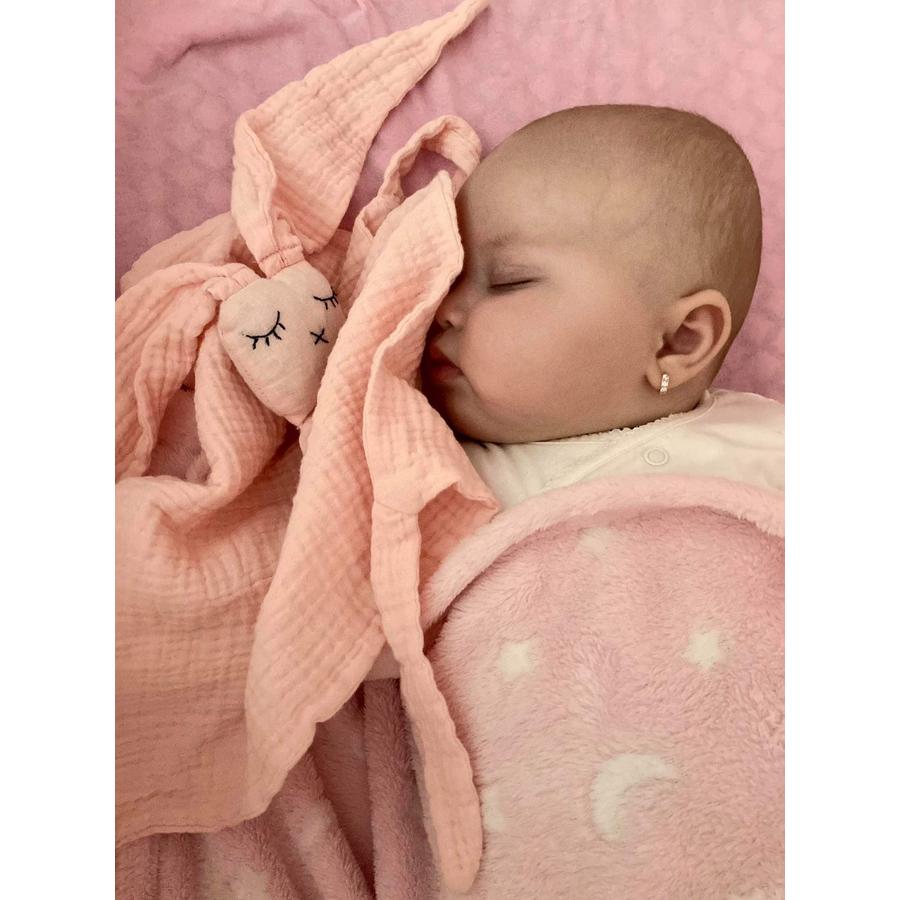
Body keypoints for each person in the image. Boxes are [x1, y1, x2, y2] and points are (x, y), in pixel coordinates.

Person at [420, 104, 782, 509]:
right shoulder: (441, 476)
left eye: (508, 281)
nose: (442, 308)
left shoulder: (771, 446)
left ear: (678, 341)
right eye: (450, 277)